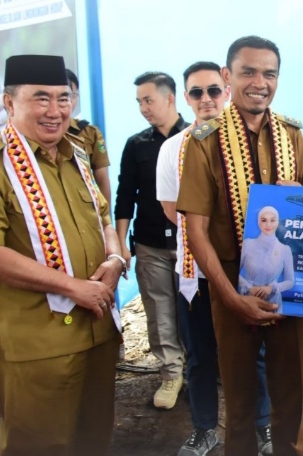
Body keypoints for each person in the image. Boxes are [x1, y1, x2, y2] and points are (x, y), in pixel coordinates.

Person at [176, 36, 303, 456]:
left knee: (291, 397)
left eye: (269, 73)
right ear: (228, 76)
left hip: (287, 287)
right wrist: (230, 298)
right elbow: (195, 230)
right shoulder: (203, 141)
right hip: (230, 285)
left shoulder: (292, 134)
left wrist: (300, 197)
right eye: (248, 72)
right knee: (239, 402)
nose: (260, 83)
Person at [0, 54, 125, 455]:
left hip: (98, 332)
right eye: (41, 98)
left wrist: (115, 259)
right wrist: (73, 287)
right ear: (9, 102)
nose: (55, 111)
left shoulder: (77, 155)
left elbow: (103, 218)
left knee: (94, 438)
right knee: (40, 444)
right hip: (40, 343)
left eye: (63, 98)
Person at [156, 61, 274, 456]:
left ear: (225, 89)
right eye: (196, 92)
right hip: (196, 274)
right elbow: (173, 212)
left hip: (246, 270)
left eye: (212, 90)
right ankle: (204, 428)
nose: (205, 98)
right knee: (200, 355)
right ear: (185, 98)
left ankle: (262, 426)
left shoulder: (252, 142)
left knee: (254, 353)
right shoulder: (174, 147)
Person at [114, 71, 189, 409]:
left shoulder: (195, 137)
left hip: (190, 244)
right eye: (139, 102)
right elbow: (125, 194)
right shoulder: (136, 145)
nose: (143, 108)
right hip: (149, 243)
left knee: (192, 309)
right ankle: (171, 373)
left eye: (148, 100)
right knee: (159, 310)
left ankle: (198, 369)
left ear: (169, 98)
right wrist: (121, 242)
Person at [65, 68, 112, 207]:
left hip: (85, 208)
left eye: (70, 96)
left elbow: (102, 179)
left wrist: (105, 217)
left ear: (77, 97)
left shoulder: (89, 133)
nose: (66, 102)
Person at [239, 206, 295, 314]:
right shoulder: (248, 244)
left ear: (277, 222)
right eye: (264, 220)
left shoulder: (284, 249)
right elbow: (234, 272)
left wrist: (271, 288)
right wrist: (249, 287)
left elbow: (290, 281)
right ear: (258, 222)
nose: (268, 225)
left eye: (272, 220)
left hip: (273, 304)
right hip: (247, 300)